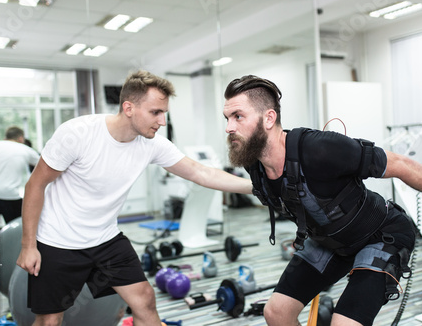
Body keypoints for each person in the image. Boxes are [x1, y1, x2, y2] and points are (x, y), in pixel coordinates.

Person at [222, 75, 422, 326]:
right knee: (276, 313)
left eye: (238, 117)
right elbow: (204, 174)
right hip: (329, 241)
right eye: (227, 118)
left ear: (269, 118)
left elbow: (401, 164)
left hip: (381, 236)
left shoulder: (320, 149)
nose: (229, 127)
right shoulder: (254, 164)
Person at [16, 70, 253, 326]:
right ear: (129, 107)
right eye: (155, 112)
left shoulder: (152, 144)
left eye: (164, 112)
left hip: (105, 239)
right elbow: (35, 185)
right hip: (57, 240)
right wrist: (29, 246)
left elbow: (200, 172)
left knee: (144, 300)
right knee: (50, 320)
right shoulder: (78, 133)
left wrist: (258, 188)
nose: (162, 121)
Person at [0, 126, 40, 249]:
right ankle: (18, 254)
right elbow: (43, 166)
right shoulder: (25, 149)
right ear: (21, 138)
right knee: (19, 228)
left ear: (6, 136)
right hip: (9, 195)